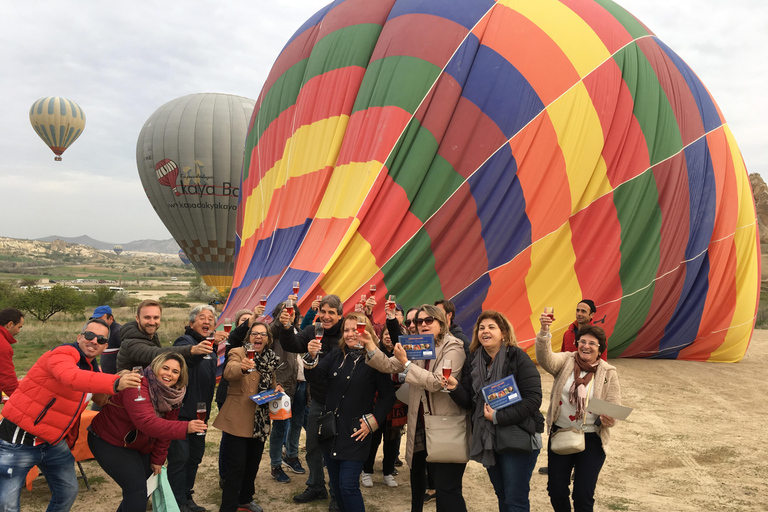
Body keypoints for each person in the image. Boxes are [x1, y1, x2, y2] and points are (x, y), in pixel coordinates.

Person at [0, 319, 142, 512]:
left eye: (100, 339)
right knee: (6, 504)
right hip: (21, 439)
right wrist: (116, 381)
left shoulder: (92, 367)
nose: (94, 341)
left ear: (105, 346)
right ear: (79, 337)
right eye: (89, 335)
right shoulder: (63, 353)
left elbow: (100, 399)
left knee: (67, 491)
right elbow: (71, 378)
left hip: (53, 442)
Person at [365, 304, 468, 512]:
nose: (422, 325)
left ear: (441, 322)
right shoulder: (419, 344)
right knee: (416, 471)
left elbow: (439, 382)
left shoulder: (454, 346)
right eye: (419, 321)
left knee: (445, 486)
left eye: (428, 320)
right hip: (419, 420)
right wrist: (369, 345)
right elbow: (387, 364)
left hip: (442, 424)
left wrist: (407, 365)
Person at [446, 311, 544, 512]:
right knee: (502, 495)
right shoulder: (474, 360)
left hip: (518, 437)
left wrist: (499, 417)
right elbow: (469, 403)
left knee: (515, 500)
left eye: (491, 327)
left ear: (504, 333)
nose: (485, 331)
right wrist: (454, 388)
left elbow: (533, 400)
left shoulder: (518, 357)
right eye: (481, 328)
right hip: (488, 439)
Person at [88, 353, 207, 512]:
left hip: (139, 445)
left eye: (175, 371)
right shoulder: (137, 384)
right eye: (165, 368)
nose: (169, 374)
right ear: (156, 367)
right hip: (109, 441)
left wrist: (158, 459)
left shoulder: (174, 394)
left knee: (141, 490)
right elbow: (146, 423)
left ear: (180, 376)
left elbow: (166, 430)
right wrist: (186, 427)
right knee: (137, 491)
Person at [303, 313, 395, 512]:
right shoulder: (337, 353)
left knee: (348, 485)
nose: (351, 334)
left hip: (356, 432)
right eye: (346, 330)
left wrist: (374, 421)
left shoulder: (376, 358)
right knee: (337, 486)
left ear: (366, 331)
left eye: (356, 329)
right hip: (331, 431)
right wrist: (310, 358)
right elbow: (317, 377)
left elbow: (388, 397)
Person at [536, 312, 621, 512]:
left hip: (592, 439)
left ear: (600, 349)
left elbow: (613, 406)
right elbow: (545, 358)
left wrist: (609, 419)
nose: (586, 346)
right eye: (582, 341)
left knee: (583, 494)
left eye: (592, 343)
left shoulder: (608, 372)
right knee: (556, 490)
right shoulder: (566, 360)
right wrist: (544, 331)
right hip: (561, 433)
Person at [278, 295, 344, 506]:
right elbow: (293, 344)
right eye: (323, 311)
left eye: (331, 312)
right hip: (317, 399)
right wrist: (287, 327)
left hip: (342, 402)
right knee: (313, 445)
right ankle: (316, 486)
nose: (325, 316)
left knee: (337, 449)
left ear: (340, 315)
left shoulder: (348, 332)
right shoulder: (314, 330)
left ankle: (336, 492)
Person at [213, 321, 282, 512]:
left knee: (253, 464)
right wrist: (242, 368)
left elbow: (271, 383)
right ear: (248, 337)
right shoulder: (238, 353)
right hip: (238, 416)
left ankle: (245, 499)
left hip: (260, 419)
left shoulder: (270, 358)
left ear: (268, 339)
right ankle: (227, 507)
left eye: (263, 334)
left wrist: (276, 389)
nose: (258, 337)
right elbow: (228, 372)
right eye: (254, 333)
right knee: (236, 467)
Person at [168, 305, 227, 512]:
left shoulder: (210, 348)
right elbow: (183, 359)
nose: (207, 321)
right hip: (181, 415)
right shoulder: (185, 342)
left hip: (200, 415)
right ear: (191, 322)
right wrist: (196, 350)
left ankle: (186, 496)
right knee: (179, 459)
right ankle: (175, 502)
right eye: (202, 318)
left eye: (211, 319)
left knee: (195, 457)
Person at [361, 325, 407, 488]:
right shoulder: (377, 353)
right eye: (385, 334)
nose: (388, 337)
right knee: (373, 438)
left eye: (391, 334)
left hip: (398, 402)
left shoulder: (403, 353)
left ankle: (388, 472)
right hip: (378, 401)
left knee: (393, 440)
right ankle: (367, 471)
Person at [267, 301, 305, 483]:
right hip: (282, 384)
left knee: (297, 423)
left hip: (302, 384)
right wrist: (280, 322)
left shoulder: (297, 331)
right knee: (280, 427)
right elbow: (270, 332)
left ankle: (291, 455)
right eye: (283, 312)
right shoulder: (274, 331)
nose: (289, 314)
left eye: (291, 312)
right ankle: (275, 465)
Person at [116, 299, 212, 371]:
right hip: (132, 394)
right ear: (137, 319)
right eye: (147, 317)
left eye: (156, 317)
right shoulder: (130, 342)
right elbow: (155, 354)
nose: (152, 322)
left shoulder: (150, 336)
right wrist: (192, 349)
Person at [91, 305, 122, 374]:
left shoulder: (118, 332)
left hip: (117, 376)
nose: (98, 322)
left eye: (100, 319)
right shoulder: (102, 331)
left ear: (110, 318)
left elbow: (127, 353)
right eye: (95, 320)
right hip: (107, 374)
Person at [0, 307, 23, 397]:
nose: (18, 331)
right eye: (19, 327)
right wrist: (19, 397)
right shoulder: (2, 346)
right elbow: (7, 378)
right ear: (10, 324)